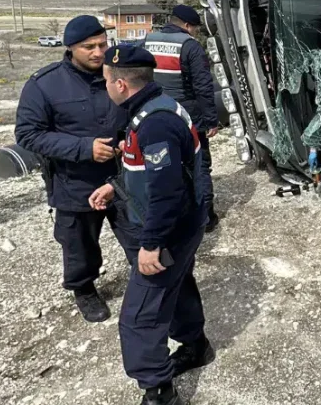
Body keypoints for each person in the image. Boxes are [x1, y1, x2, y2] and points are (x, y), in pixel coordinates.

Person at [89, 45, 214, 405]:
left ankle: (158, 391)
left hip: (171, 228)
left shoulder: (156, 122)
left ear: (121, 84)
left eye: (107, 81)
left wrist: (151, 244)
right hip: (183, 222)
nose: (106, 87)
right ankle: (195, 346)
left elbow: (166, 191)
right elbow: (152, 172)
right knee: (177, 285)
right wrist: (115, 187)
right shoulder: (151, 107)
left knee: (140, 315)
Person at [15, 15, 139, 322]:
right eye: (89, 47)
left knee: (139, 234)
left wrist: (128, 141)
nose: (98, 52)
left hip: (123, 177)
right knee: (79, 245)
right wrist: (84, 148)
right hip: (75, 182)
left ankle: (146, 282)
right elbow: (28, 134)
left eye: (102, 44)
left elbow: (137, 112)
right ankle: (84, 289)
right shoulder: (44, 84)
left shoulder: (118, 74)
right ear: (71, 48)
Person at [139, 4, 220, 232]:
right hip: (188, 117)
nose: (194, 32)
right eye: (194, 28)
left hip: (155, 114)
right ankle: (206, 218)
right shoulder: (190, 47)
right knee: (199, 166)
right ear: (186, 25)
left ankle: (168, 217)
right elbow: (203, 86)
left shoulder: (147, 41)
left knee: (162, 166)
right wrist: (211, 120)